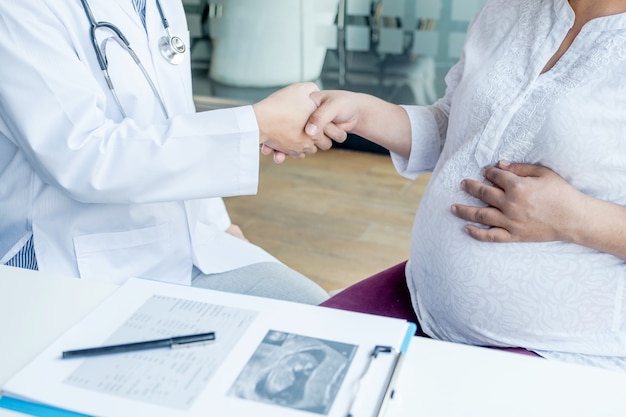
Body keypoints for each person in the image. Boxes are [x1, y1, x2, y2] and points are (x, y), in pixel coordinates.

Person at [306, 0, 626, 371]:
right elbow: (458, 128)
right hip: (420, 298)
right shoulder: (507, 8)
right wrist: (361, 113)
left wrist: (574, 217)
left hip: (557, 347)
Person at [0, 0, 331, 304]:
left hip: (189, 244)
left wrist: (217, 221)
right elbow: (81, 158)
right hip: (80, 264)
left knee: (327, 314)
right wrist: (258, 125)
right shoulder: (19, 9)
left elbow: (175, 114)